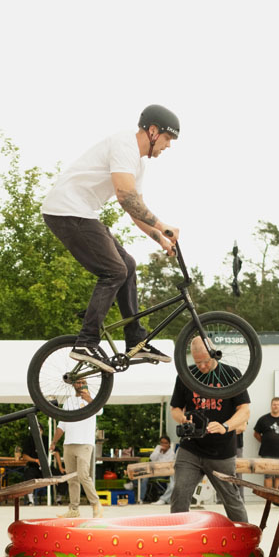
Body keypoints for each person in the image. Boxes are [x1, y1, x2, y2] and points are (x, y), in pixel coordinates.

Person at [41, 105, 180, 371]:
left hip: (81, 213)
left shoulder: (137, 163)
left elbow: (134, 208)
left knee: (127, 265)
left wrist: (159, 238)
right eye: (167, 139)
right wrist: (163, 225)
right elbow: (125, 196)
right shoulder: (124, 145)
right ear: (153, 131)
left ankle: (135, 341)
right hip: (66, 210)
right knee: (114, 270)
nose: (168, 146)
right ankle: (86, 341)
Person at [168, 337, 251, 522]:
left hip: (222, 452)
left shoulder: (231, 374)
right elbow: (174, 408)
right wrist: (181, 418)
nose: (202, 366)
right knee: (180, 492)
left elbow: (244, 410)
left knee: (231, 499)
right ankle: (179, 538)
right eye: (198, 362)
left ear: (215, 354)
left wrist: (225, 426)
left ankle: (246, 542)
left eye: (206, 361)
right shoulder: (186, 374)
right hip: (191, 447)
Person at [49, 380, 104, 518]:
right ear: (73, 384)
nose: (80, 385)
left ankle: (96, 505)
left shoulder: (93, 398)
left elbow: (101, 411)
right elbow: (62, 424)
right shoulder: (68, 401)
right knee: (71, 478)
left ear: (86, 383)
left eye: (82, 382)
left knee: (83, 475)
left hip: (85, 443)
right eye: (77, 382)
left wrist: (89, 399)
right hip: (69, 443)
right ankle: (74, 509)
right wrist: (54, 441)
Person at [253, 397, 279, 489]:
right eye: (274, 404)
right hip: (267, 453)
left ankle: (276, 501)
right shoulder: (263, 419)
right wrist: (265, 442)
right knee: (268, 477)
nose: (276, 406)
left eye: (278, 404)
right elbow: (256, 434)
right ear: (271, 406)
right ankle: (268, 499)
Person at [143, 435, 175, 503]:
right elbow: (152, 458)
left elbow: (166, 465)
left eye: (165, 443)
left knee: (145, 476)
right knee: (143, 475)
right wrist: (158, 452)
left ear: (169, 444)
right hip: (154, 471)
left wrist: (157, 464)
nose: (163, 445)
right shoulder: (158, 448)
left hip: (164, 473)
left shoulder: (171, 453)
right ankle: (140, 497)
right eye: (162, 443)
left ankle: (141, 498)